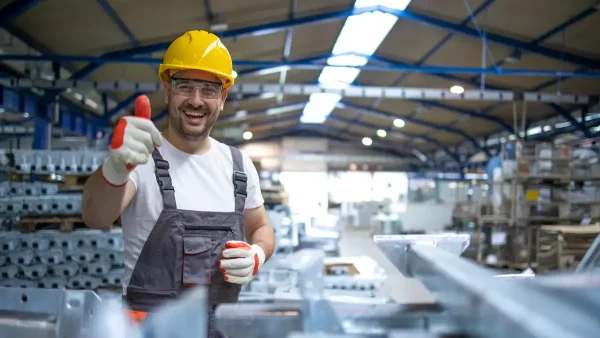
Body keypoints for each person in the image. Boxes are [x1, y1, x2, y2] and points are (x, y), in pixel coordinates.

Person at [82, 30, 275, 337]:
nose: (196, 101)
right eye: (185, 86)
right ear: (167, 90)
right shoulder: (140, 158)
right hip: (149, 331)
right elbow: (95, 215)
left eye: (209, 90)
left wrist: (257, 254)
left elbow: (262, 228)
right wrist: (116, 167)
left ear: (223, 98)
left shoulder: (239, 166)